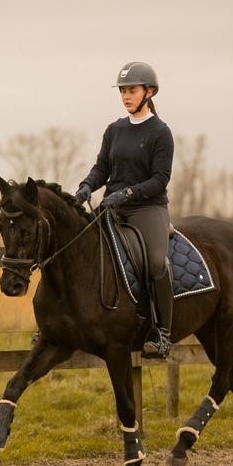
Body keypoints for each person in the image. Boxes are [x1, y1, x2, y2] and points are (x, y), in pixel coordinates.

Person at [75, 61, 175, 358]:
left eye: (131, 91)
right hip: (111, 207)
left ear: (149, 92)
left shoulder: (161, 132)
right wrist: (85, 187)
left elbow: (160, 179)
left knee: (157, 263)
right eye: (123, 91)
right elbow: (101, 168)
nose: (126, 97)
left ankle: (163, 334)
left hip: (147, 209)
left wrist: (127, 193)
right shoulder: (114, 130)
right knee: (78, 250)